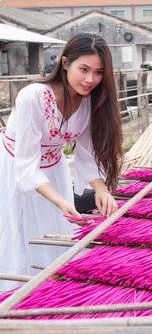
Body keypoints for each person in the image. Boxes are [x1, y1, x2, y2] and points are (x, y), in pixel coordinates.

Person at [0, 33, 123, 291]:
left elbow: (87, 154)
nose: (91, 79)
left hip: (53, 171)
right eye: (84, 69)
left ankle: (49, 290)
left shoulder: (90, 102)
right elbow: (26, 167)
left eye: (99, 72)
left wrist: (101, 190)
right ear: (65, 63)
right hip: (14, 167)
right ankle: (14, 293)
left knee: (53, 230)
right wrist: (60, 201)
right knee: (16, 231)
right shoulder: (33, 96)